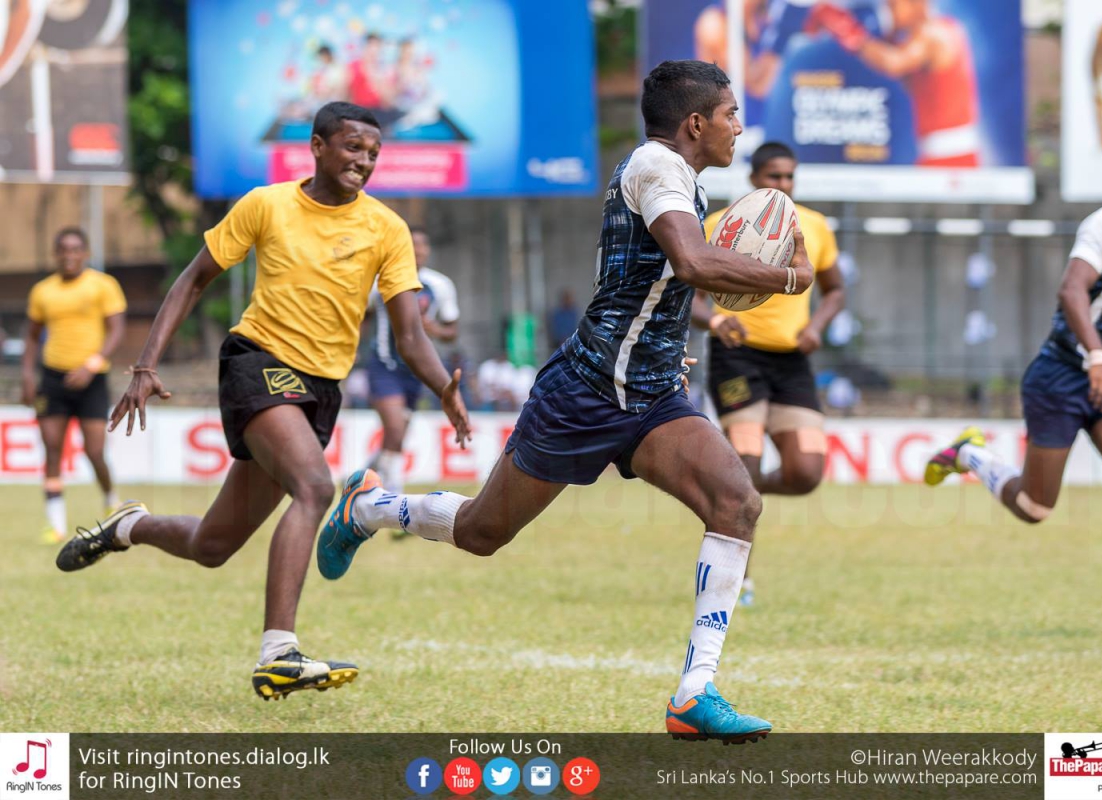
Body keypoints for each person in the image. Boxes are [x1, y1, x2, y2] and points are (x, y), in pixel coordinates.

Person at [318, 60, 814, 743]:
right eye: (731, 114)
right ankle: (369, 507)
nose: (739, 126)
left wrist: (664, 343)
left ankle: (694, 694)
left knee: (737, 502)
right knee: (482, 533)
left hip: (650, 395)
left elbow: (650, 283)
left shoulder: (682, 179)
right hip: (584, 392)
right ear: (696, 123)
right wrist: (788, 276)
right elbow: (694, 264)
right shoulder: (657, 166)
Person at [54, 102, 471, 700]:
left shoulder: (387, 228)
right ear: (318, 146)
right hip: (258, 364)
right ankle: (280, 653)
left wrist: (443, 389)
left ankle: (128, 527)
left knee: (212, 546)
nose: (364, 160)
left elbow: (410, 335)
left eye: (374, 153)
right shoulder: (265, 204)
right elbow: (193, 280)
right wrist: (145, 366)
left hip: (320, 391)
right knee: (316, 488)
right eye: (353, 147)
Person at [926, 134, 1102, 653]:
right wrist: (1096, 358)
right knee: (1034, 507)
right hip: (1061, 375)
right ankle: (969, 454)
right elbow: (1072, 290)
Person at [692, 141, 845, 607]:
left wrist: (816, 327)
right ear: (754, 179)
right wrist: (715, 321)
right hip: (736, 357)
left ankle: (734, 495)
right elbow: (688, 296)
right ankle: (739, 579)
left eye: (789, 176)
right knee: (748, 462)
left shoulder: (815, 226)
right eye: (774, 176)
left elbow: (836, 290)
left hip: (792, 361)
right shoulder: (720, 226)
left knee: (806, 472)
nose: (783, 184)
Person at [22, 227, 126, 543]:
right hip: (52, 378)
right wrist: (28, 375)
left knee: (94, 451)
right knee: (52, 448)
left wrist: (90, 366)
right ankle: (55, 526)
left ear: (85, 253)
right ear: (56, 253)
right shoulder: (43, 291)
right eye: (63, 249)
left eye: (75, 249)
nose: (69, 255)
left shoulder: (103, 285)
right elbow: (31, 336)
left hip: (92, 379)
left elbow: (116, 330)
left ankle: (111, 499)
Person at [805, 0, 982, 166]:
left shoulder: (931, 33)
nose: (890, 13)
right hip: (948, 153)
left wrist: (848, 31)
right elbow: (899, 69)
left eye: (893, 5)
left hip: (947, 157)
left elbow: (893, 63)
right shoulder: (944, 29)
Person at [367, 225, 460, 494]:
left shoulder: (440, 285)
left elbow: (452, 331)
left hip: (417, 370)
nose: (418, 250)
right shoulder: (378, 280)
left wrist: (436, 330)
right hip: (383, 364)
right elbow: (363, 315)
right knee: (395, 430)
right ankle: (391, 495)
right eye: (412, 244)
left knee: (396, 436)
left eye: (422, 245)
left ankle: (366, 472)